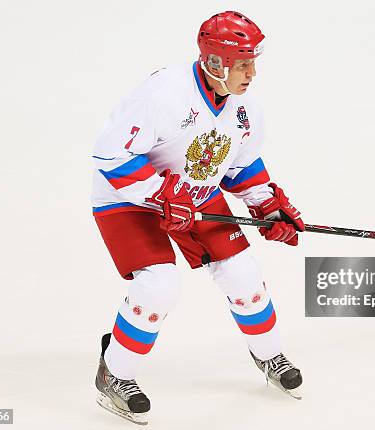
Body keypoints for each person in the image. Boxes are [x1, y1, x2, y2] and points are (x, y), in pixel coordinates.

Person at [91, 11, 305, 425]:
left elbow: (239, 166)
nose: (252, 72)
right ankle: (114, 374)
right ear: (214, 62)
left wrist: (268, 206)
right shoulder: (161, 94)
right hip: (128, 200)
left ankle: (268, 356)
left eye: (252, 61)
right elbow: (110, 156)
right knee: (159, 286)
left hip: (195, 196)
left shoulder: (245, 108)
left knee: (243, 273)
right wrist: (159, 195)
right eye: (243, 63)